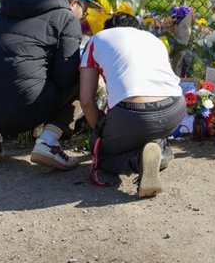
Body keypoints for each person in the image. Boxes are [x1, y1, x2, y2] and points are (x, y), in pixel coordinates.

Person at [0, 0, 98, 171]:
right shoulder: (66, 17)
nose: (82, 16)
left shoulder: (6, 9)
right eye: (84, 11)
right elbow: (66, 76)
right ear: (74, 2)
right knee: (80, 77)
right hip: (21, 104)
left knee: (6, 72)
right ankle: (49, 142)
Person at [79, 12, 185, 197]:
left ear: (108, 28)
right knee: (148, 132)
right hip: (175, 108)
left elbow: (86, 101)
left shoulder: (97, 40)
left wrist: (102, 134)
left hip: (132, 115)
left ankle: (138, 160)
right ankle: (157, 150)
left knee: (102, 155)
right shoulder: (153, 39)